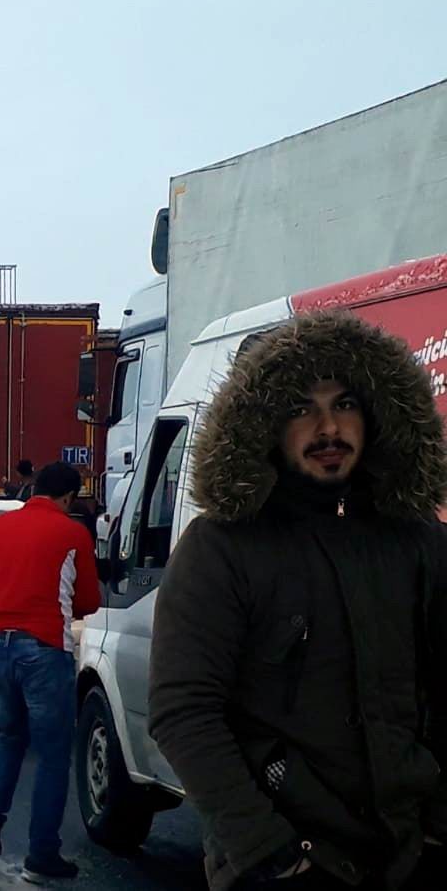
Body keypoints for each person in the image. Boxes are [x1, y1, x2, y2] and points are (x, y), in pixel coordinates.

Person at [150, 311, 447, 891]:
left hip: (414, 853)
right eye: (301, 408)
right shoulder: (221, 548)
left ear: (377, 412)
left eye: (345, 404)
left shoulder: (420, 542)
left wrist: (438, 820)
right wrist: (266, 849)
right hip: (287, 861)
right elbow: (183, 711)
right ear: (263, 424)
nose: (328, 427)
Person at [0, 461, 99, 882]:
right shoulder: (73, 534)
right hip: (44, 648)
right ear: (68, 497)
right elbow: (89, 601)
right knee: (54, 752)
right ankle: (41, 855)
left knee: (10, 735)